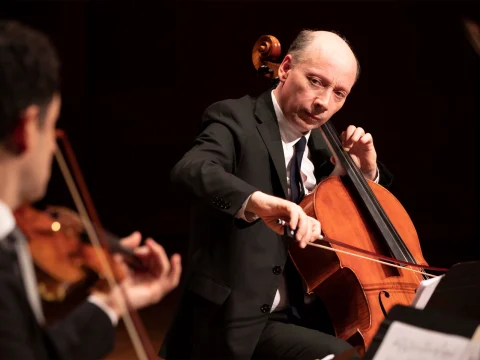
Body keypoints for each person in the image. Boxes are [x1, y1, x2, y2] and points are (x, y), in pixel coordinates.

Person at [159, 29, 393, 360]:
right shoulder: (235, 119)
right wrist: (256, 201)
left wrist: (367, 173)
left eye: (339, 93)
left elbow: (367, 226)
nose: (323, 103)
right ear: (284, 68)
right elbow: (191, 170)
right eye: (316, 81)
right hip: (235, 323)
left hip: (310, 317)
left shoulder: (327, 149)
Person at [0, 20, 182, 360]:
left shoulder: (11, 240)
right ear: (26, 128)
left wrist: (111, 302)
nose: (52, 146)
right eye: (52, 126)